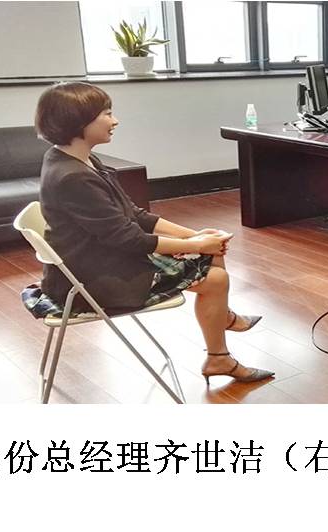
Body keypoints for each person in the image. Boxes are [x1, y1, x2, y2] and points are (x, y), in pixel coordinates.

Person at [34, 81, 273, 384]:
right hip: (93, 280)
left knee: (212, 256)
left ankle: (220, 341)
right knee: (215, 277)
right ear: (78, 121)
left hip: (96, 261)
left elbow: (134, 215)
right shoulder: (74, 177)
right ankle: (220, 346)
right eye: (106, 114)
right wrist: (198, 245)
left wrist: (193, 236)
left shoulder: (77, 160)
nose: (115, 121)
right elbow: (128, 238)